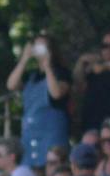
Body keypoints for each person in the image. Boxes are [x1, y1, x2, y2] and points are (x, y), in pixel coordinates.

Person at [8, 34, 70, 168]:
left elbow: (56, 93)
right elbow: (11, 85)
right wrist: (24, 59)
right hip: (30, 135)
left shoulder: (62, 72)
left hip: (52, 134)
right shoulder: (31, 75)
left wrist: (47, 67)